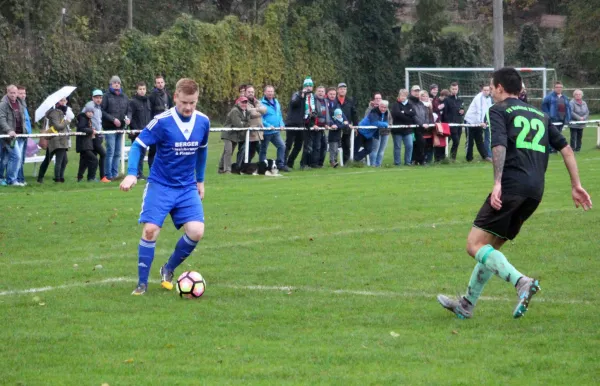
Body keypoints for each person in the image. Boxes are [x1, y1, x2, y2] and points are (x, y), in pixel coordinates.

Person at [437, 67, 592, 319]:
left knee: (474, 244)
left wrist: (497, 182)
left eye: (492, 87)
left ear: (499, 87)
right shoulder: (539, 114)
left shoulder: (498, 110)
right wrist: (576, 185)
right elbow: (566, 149)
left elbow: (498, 145)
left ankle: (522, 282)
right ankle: (467, 304)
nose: (491, 92)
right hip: (534, 192)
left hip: (511, 186)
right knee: (491, 248)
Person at [120, 78, 210, 296]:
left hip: (187, 186)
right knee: (150, 231)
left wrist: (200, 180)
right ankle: (142, 284)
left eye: (193, 103)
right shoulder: (162, 121)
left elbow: (202, 151)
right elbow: (138, 145)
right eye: (184, 102)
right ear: (175, 97)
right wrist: (132, 174)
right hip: (161, 185)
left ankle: (168, 268)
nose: (188, 107)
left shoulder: (203, 122)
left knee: (197, 231)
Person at [101, 75, 130, 181]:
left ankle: (115, 174)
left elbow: (128, 110)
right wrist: (113, 119)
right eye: (114, 83)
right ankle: (108, 175)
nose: (116, 84)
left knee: (118, 152)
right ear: (111, 84)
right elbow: (102, 111)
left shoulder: (125, 97)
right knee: (111, 151)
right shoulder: (106, 96)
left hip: (121, 128)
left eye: (118, 83)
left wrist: (128, 119)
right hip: (109, 128)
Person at [0, 85, 27, 186]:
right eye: (11, 93)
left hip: (20, 135)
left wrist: (25, 131)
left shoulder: (20, 103)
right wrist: (9, 131)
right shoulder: (3, 104)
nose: (13, 95)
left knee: (9, 158)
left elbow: (23, 119)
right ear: (7, 92)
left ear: (17, 93)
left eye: (14, 93)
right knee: (17, 156)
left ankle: (9, 180)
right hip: (9, 137)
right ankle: (12, 180)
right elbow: (1, 119)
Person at [37, 100, 69, 183]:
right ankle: (58, 179)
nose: (65, 102)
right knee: (60, 160)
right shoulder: (55, 112)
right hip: (57, 139)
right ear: (57, 102)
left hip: (59, 139)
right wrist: (66, 121)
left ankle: (40, 177)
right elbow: (58, 126)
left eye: (65, 100)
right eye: (62, 100)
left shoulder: (61, 111)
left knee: (58, 160)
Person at [259, 85, 289, 171]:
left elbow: (279, 115)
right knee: (263, 149)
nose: (270, 93)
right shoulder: (261, 103)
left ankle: (280, 164)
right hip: (266, 132)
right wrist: (268, 126)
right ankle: (263, 166)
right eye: (268, 91)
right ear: (264, 92)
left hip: (275, 132)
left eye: (272, 91)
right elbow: (260, 118)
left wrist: (282, 124)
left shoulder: (276, 101)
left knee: (282, 146)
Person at [284, 77, 312, 169]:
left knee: (298, 146)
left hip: (301, 124)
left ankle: (290, 163)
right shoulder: (297, 94)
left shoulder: (311, 98)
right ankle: (282, 163)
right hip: (292, 123)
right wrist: (301, 95)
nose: (308, 88)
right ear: (303, 87)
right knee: (288, 144)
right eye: (307, 86)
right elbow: (293, 103)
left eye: (310, 86)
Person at [128, 82, 153, 179]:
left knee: (143, 153)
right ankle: (136, 173)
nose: (142, 91)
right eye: (140, 89)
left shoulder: (147, 101)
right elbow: (131, 116)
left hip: (146, 131)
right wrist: (135, 128)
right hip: (137, 132)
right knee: (137, 152)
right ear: (137, 90)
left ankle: (140, 173)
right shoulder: (133, 102)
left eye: (143, 89)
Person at [300, 85, 329, 169]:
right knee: (315, 146)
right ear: (316, 92)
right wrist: (314, 124)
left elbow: (326, 114)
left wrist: (327, 123)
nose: (321, 93)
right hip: (313, 126)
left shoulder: (325, 101)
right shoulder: (313, 101)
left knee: (323, 145)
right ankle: (312, 163)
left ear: (324, 93)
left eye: (322, 91)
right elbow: (313, 114)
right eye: (319, 91)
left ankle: (319, 163)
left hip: (322, 127)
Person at [148, 75, 174, 168]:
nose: (160, 84)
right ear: (155, 84)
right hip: (156, 126)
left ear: (164, 83)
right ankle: (152, 170)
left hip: (167, 126)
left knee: (166, 149)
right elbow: (149, 112)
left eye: (161, 82)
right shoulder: (151, 96)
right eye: (158, 83)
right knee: (153, 149)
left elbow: (172, 110)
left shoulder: (168, 95)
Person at [219, 97, 249, 174]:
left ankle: (221, 168)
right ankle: (227, 170)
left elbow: (247, 123)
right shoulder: (235, 111)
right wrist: (243, 123)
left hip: (235, 135)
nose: (244, 104)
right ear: (238, 103)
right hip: (228, 133)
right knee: (228, 151)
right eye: (242, 102)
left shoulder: (245, 111)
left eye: (245, 102)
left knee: (228, 151)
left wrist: (243, 123)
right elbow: (238, 125)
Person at [237, 85, 265, 165]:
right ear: (245, 92)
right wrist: (259, 111)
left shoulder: (256, 101)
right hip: (247, 131)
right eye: (249, 92)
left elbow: (265, 110)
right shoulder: (242, 102)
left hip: (256, 132)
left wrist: (257, 110)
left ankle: (247, 165)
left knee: (252, 151)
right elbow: (250, 113)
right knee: (243, 150)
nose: (251, 93)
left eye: (252, 92)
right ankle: (239, 166)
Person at [464, 84, 493, 162]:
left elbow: (488, 111)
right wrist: (481, 122)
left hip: (479, 122)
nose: (486, 92)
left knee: (479, 140)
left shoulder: (489, 99)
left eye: (488, 90)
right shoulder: (478, 98)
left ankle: (485, 156)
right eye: (485, 90)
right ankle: (469, 158)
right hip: (470, 121)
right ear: (482, 90)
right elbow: (479, 111)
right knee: (470, 141)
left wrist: (487, 121)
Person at [542, 82, 571, 153]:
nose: (559, 88)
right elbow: (544, 107)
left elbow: (568, 108)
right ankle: (550, 149)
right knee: (551, 135)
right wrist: (548, 116)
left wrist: (568, 118)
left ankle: (555, 149)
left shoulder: (565, 97)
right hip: (553, 120)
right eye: (557, 87)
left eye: (560, 87)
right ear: (554, 88)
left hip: (562, 119)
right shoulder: (549, 97)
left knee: (558, 135)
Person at [390, 89, 416, 166]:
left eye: (405, 96)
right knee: (397, 147)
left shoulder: (410, 104)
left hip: (407, 130)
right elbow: (397, 114)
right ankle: (397, 163)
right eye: (402, 95)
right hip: (397, 130)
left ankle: (408, 162)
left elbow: (413, 113)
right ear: (399, 96)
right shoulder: (395, 105)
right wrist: (408, 115)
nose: (403, 97)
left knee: (409, 145)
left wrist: (404, 112)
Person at [336, 83, 358, 165]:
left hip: (347, 127)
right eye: (341, 89)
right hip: (336, 127)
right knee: (335, 146)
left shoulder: (350, 101)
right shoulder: (334, 100)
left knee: (346, 145)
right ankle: (334, 162)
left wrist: (356, 126)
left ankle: (346, 163)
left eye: (344, 89)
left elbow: (354, 114)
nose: (342, 90)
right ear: (338, 90)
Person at [76, 103, 99, 182]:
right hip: (84, 144)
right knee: (94, 160)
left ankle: (80, 178)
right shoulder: (83, 118)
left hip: (86, 144)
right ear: (85, 112)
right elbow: (81, 128)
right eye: (88, 112)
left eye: (92, 112)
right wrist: (91, 131)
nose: (90, 113)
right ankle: (91, 177)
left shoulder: (88, 119)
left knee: (83, 162)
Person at [442, 82, 465, 160]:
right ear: (450, 89)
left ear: (458, 89)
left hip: (459, 123)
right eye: (453, 89)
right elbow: (445, 113)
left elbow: (462, 110)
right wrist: (448, 123)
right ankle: (444, 156)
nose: (454, 90)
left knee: (455, 141)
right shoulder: (447, 100)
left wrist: (462, 112)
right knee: (455, 141)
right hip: (451, 124)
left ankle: (452, 158)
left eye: (456, 89)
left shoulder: (460, 100)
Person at [16, 86, 32, 185]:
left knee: (22, 159)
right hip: (19, 135)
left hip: (26, 135)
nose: (23, 95)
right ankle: (18, 179)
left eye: (24, 93)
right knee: (18, 158)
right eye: (21, 93)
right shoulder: (17, 106)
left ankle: (21, 178)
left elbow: (27, 122)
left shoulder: (24, 105)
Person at [90, 89, 107, 180]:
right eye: (96, 98)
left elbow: (98, 122)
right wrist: (90, 128)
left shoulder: (99, 108)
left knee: (94, 156)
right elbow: (82, 117)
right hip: (93, 135)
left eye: (100, 98)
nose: (98, 99)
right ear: (92, 98)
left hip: (99, 135)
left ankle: (91, 177)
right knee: (103, 154)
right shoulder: (90, 107)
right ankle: (102, 176)